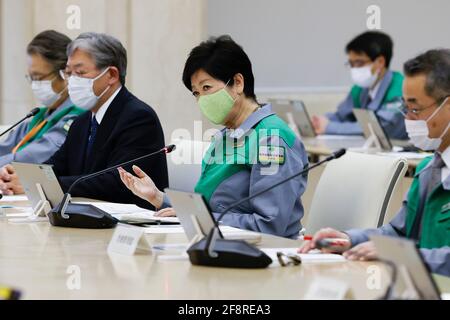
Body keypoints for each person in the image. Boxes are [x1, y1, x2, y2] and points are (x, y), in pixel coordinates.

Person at [118, 35, 309, 239]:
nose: (201, 99)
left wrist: (206, 218)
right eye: (196, 93)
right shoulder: (224, 137)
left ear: (237, 83)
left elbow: (268, 226)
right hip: (218, 244)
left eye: (206, 88)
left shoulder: (271, 139)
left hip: (261, 254)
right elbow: (207, 210)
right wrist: (157, 197)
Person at [300, 49, 450, 277]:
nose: (407, 118)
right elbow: (399, 232)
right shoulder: (429, 169)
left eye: (415, 109)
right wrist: (349, 239)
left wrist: (401, 256)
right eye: (405, 108)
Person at [1, 32, 168, 209]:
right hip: (87, 220)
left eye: (80, 73)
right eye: (68, 73)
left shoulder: (139, 117)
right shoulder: (82, 122)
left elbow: (116, 182)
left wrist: (40, 183)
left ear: (111, 74)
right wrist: (18, 177)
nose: (71, 81)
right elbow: (55, 167)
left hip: (132, 225)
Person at [0, 30, 85, 195]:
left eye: (39, 78)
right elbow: (7, 147)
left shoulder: (78, 116)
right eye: (31, 78)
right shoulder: (40, 116)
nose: (34, 85)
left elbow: (30, 158)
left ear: (64, 74)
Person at [312, 31, 407, 140]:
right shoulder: (360, 88)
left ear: (380, 62)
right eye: (351, 64)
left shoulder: (400, 88)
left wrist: (329, 127)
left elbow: (380, 129)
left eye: (359, 63)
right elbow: (341, 116)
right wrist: (319, 122)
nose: (354, 69)